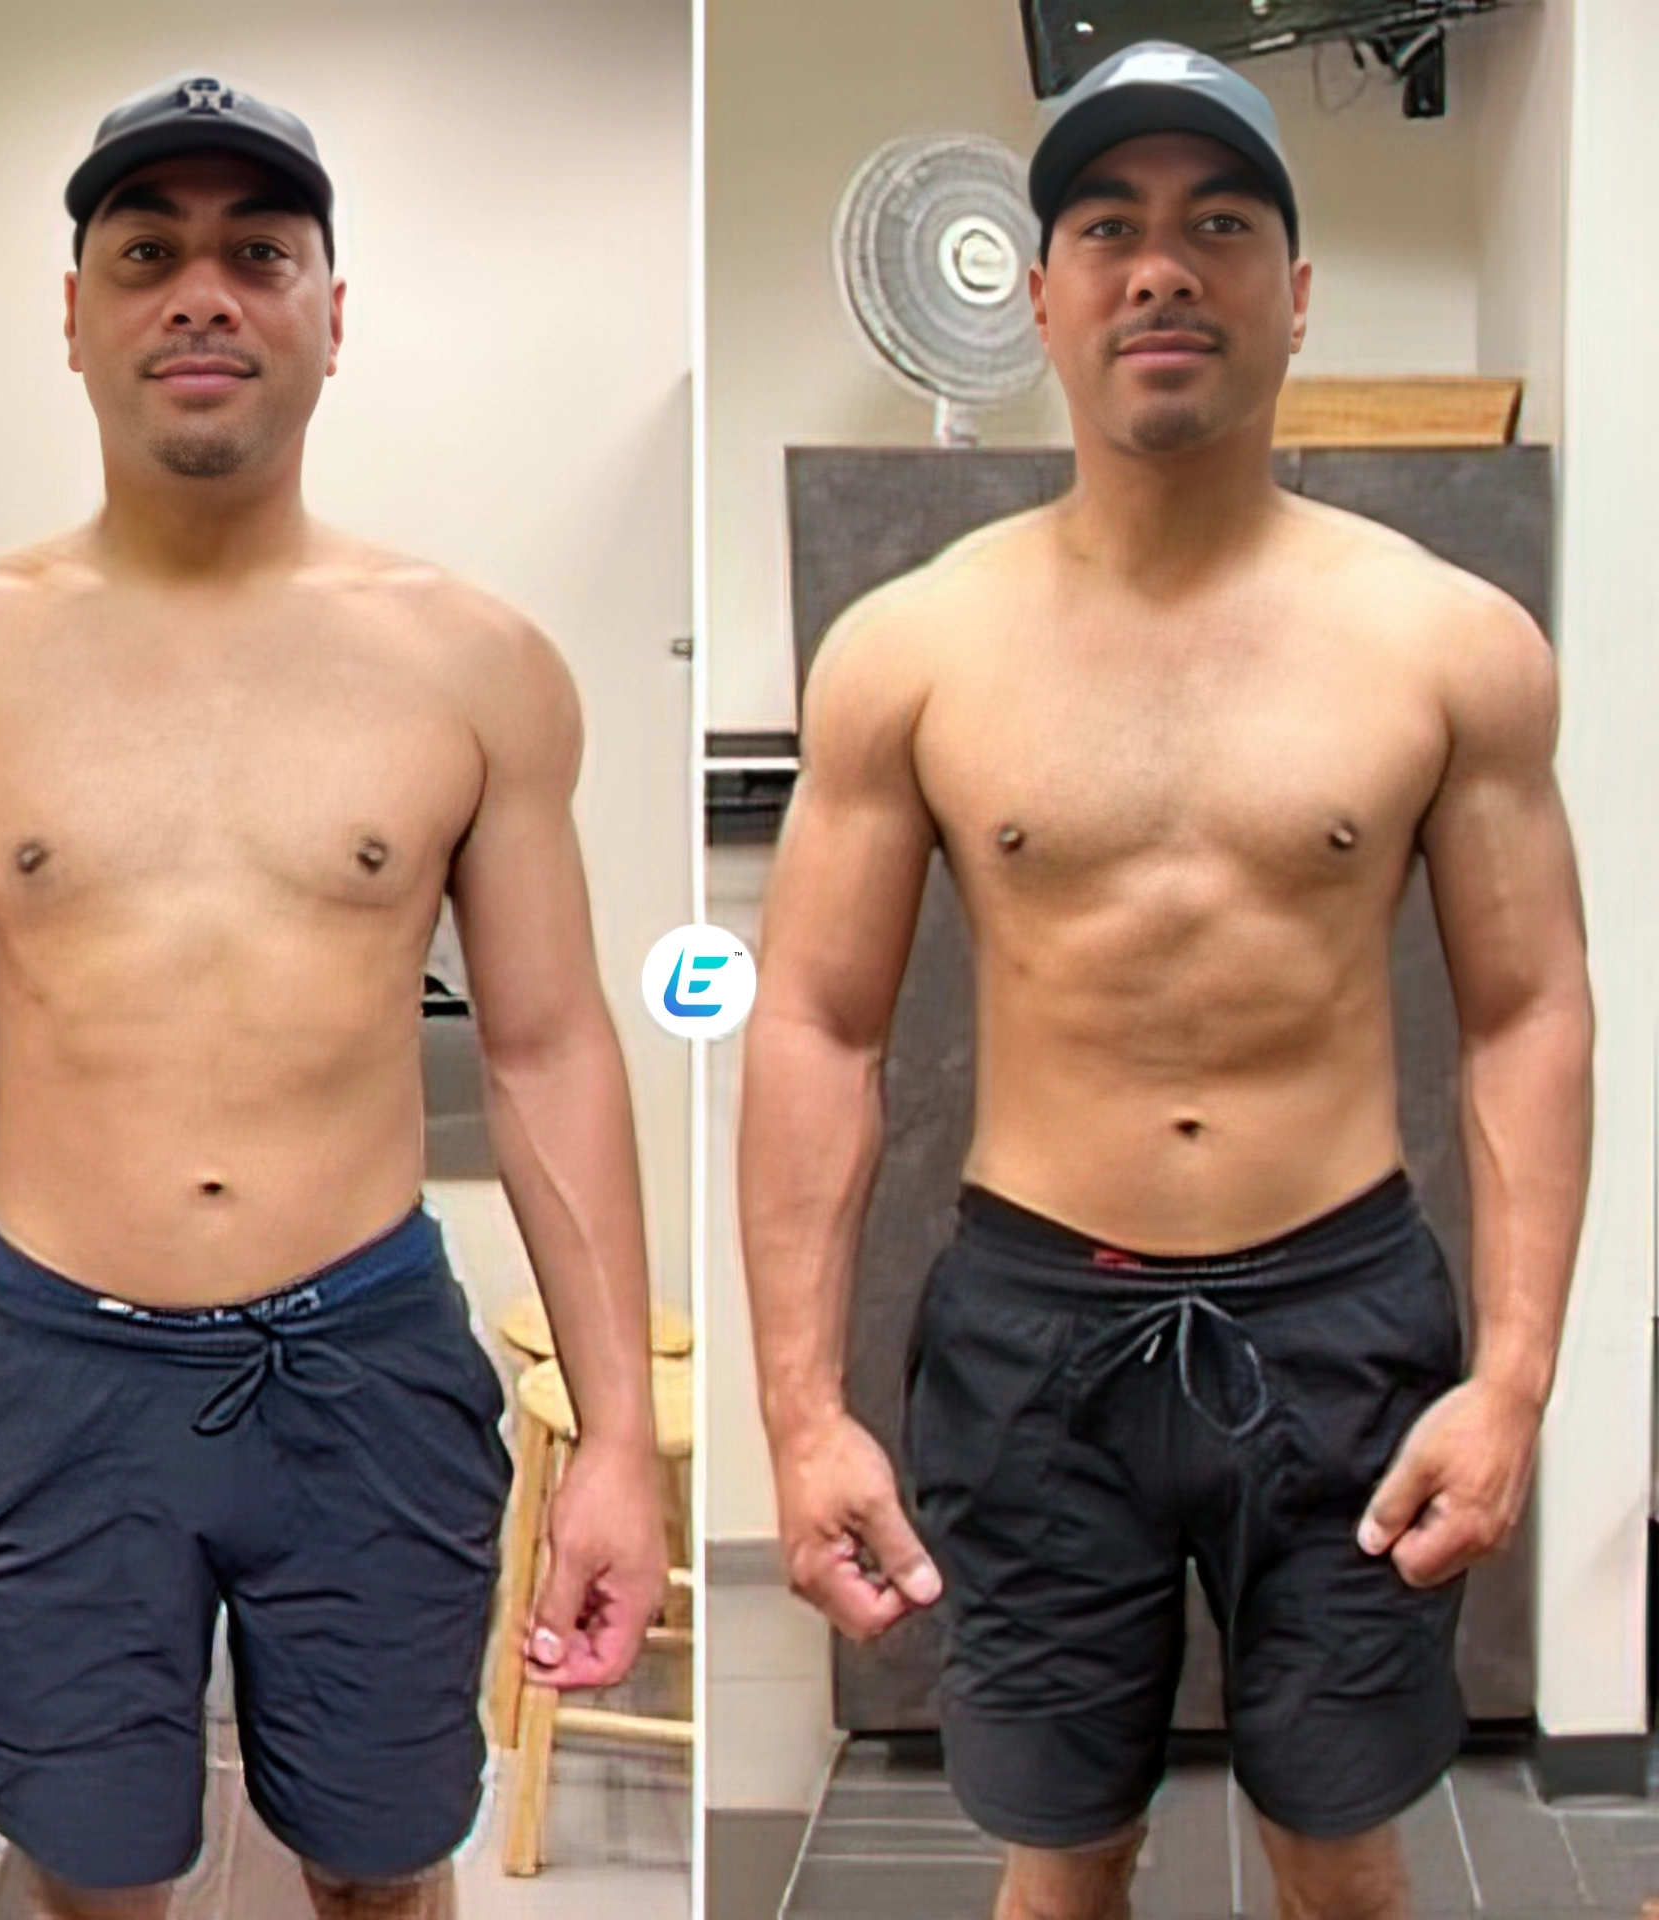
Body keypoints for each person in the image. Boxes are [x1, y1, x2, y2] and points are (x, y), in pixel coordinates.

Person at [0, 73, 666, 1920]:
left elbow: (556, 1048)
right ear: (72, 317)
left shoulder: (474, 665)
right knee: (90, 1880)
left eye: (259, 252)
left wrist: (622, 1445)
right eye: (146, 251)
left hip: (372, 1357)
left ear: (336, 316)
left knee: (385, 1868)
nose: (201, 292)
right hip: (58, 1375)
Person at [740, 41, 1591, 1920]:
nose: (1160, 266)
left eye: (1220, 222)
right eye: (1107, 225)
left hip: (1345, 1316)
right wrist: (804, 1414)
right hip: (1034, 1326)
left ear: (1295, 292)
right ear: (1033, 294)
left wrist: (1516, 1379)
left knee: (1341, 1851)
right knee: (1062, 1860)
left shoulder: (1451, 642)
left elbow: (1530, 1012)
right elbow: (816, 1025)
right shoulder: (910, 648)